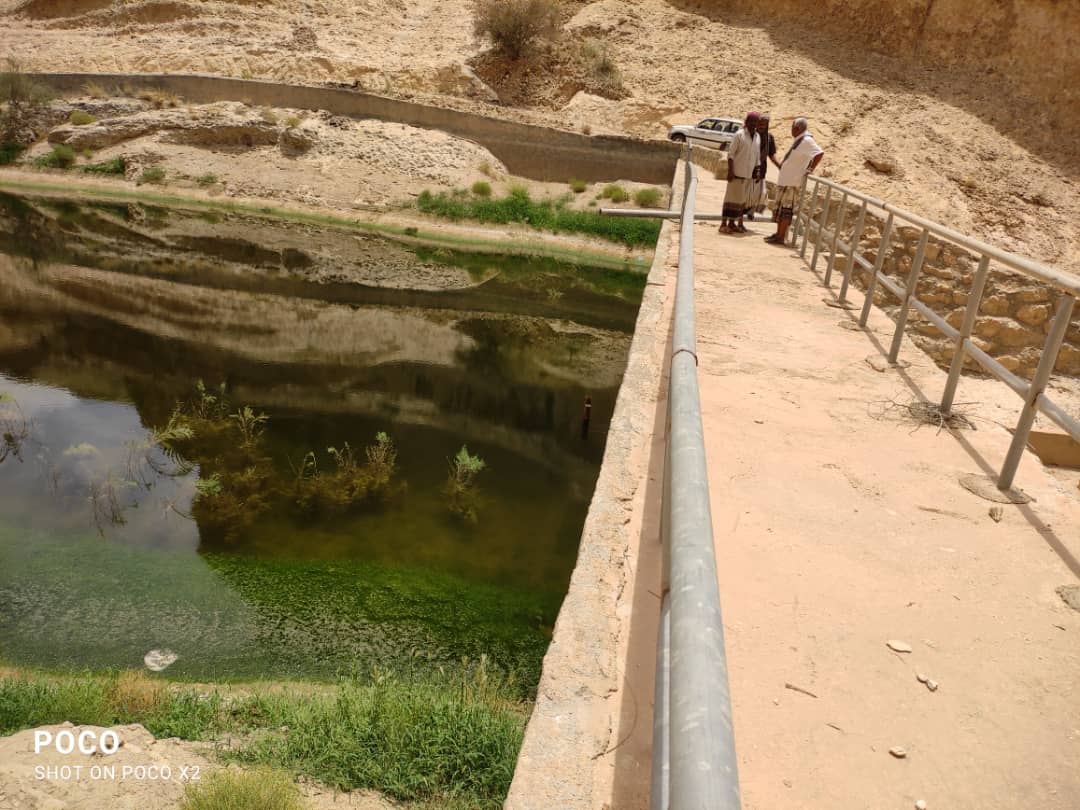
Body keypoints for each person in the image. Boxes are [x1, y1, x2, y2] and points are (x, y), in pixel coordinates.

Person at [764, 117, 824, 245]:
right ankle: (778, 234)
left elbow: (819, 153)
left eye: (792, 127)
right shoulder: (800, 139)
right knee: (780, 210)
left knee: (786, 210)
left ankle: (781, 237)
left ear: (797, 128)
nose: (791, 130)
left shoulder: (807, 140)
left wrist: (810, 169)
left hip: (792, 182)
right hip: (786, 180)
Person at [720, 112, 761, 234]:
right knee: (730, 199)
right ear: (747, 122)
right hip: (736, 173)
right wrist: (730, 171)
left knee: (739, 201)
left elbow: (757, 157)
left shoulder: (757, 137)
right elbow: (731, 154)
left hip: (748, 175)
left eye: (756, 122)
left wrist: (757, 171)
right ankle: (723, 224)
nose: (753, 124)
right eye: (751, 121)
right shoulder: (739, 134)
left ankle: (732, 224)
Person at [748, 114, 779, 219]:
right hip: (748, 168)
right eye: (760, 123)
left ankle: (751, 211)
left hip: (761, 170)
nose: (761, 126)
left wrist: (779, 166)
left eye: (764, 124)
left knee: (758, 193)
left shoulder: (769, 138)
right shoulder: (751, 135)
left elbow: (771, 155)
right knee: (746, 192)